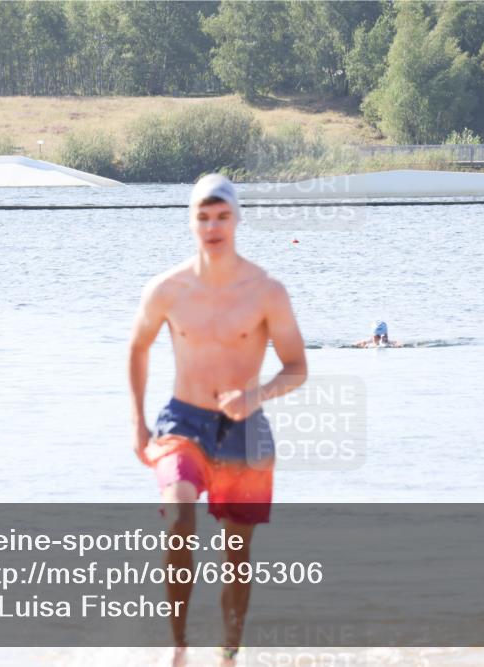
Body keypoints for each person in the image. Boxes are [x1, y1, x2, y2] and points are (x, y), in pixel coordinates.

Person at [128, 174, 308, 667]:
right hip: (181, 423)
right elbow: (138, 348)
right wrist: (137, 422)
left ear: (237, 220)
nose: (213, 227)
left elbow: (297, 367)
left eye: (222, 217)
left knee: (236, 554)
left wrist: (257, 395)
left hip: (244, 430)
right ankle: (179, 647)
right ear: (191, 222)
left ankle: (229, 652)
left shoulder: (266, 291)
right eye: (203, 217)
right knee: (179, 518)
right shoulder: (167, 288)